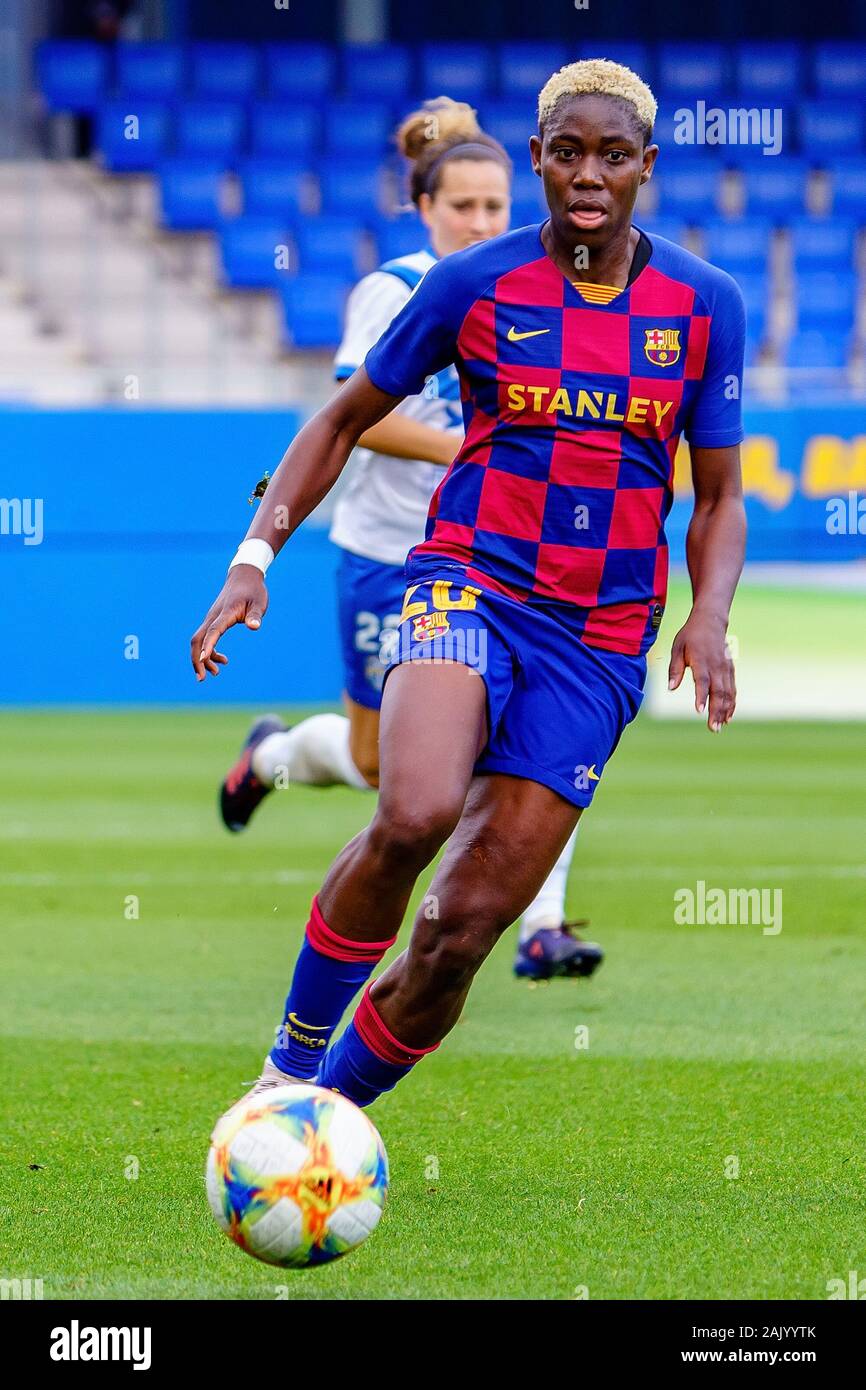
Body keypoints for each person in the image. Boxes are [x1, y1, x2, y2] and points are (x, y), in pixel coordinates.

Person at [191, 58, 745, 1114]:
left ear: (645, 167)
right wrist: (251, 560)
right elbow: (340, 419)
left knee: (463, 928)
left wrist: (706, 614)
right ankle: (285, 1072)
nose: (588, 173)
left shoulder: (702, 305)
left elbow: (717, 497)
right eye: (567, 152)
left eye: (612, 155)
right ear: (537, 160)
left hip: (598, 638)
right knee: (412, 810)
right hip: (465, 585)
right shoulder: (470, 284)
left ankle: (325, 1124)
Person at [219, 96, 600, 982]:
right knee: (375, 763)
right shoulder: (397, 290)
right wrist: (475, 442)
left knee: (526, 739)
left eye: (494, 206)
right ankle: (271, 757)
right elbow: (359, 414)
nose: (479, 221)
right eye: (461, 206)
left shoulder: (537, 288)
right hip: (389, 556)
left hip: (492, 562)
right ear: (424, 208)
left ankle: (540, 928)